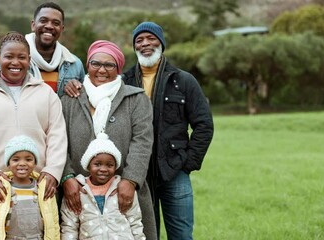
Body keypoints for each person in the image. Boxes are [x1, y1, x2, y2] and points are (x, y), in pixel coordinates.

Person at [0, 31, 67, 229]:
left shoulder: (46, 93)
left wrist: (52, 172)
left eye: (22, 57)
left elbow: (57, 136)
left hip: (37, 187)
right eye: (9, 57)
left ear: (30, 60)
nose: (15, 62)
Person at [123, 22, 214, 240]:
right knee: (144, 236)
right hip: (138, 175)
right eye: (139, 40)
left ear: (161, 43)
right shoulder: (123, 81)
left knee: (182, 235)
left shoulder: (183, 80)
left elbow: (204, 124)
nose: (145, 43)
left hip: (175, 171)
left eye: (151, 38)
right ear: (134, 47)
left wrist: (188, 163)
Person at [60, 40, 157, 240]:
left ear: (119, 68)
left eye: (109, 65)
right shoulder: (70, 98)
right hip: (79, 193)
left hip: (123, 191)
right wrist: (67, 177)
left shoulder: (137, 100)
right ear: (87, 65)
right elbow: (58, 142)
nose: (101, 70)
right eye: (96, 63)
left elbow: (142, 143)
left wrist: (130, 181)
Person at [0, 2, 85, 97]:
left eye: (55, 23)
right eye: (43, 21)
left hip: (58, 124)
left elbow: (82, 100)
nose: (49, 26)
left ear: (61, 29)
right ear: (33, 25)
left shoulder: (74, 64)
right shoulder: (11, 59)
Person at [60, 132, 145, 239]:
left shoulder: (122, 190)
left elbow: (135, 222)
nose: (103, 169)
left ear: (115, 167)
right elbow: (69, 226)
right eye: (97, 164)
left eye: (109, 165)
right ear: (88, 165)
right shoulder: (79, 191)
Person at [0, 135, 60, 240]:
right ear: (8, 163)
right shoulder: (0, 189)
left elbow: (54, 223)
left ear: (35, 162)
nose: (22, 163)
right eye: (16, 159)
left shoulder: (44, 189)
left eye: (28, 159)